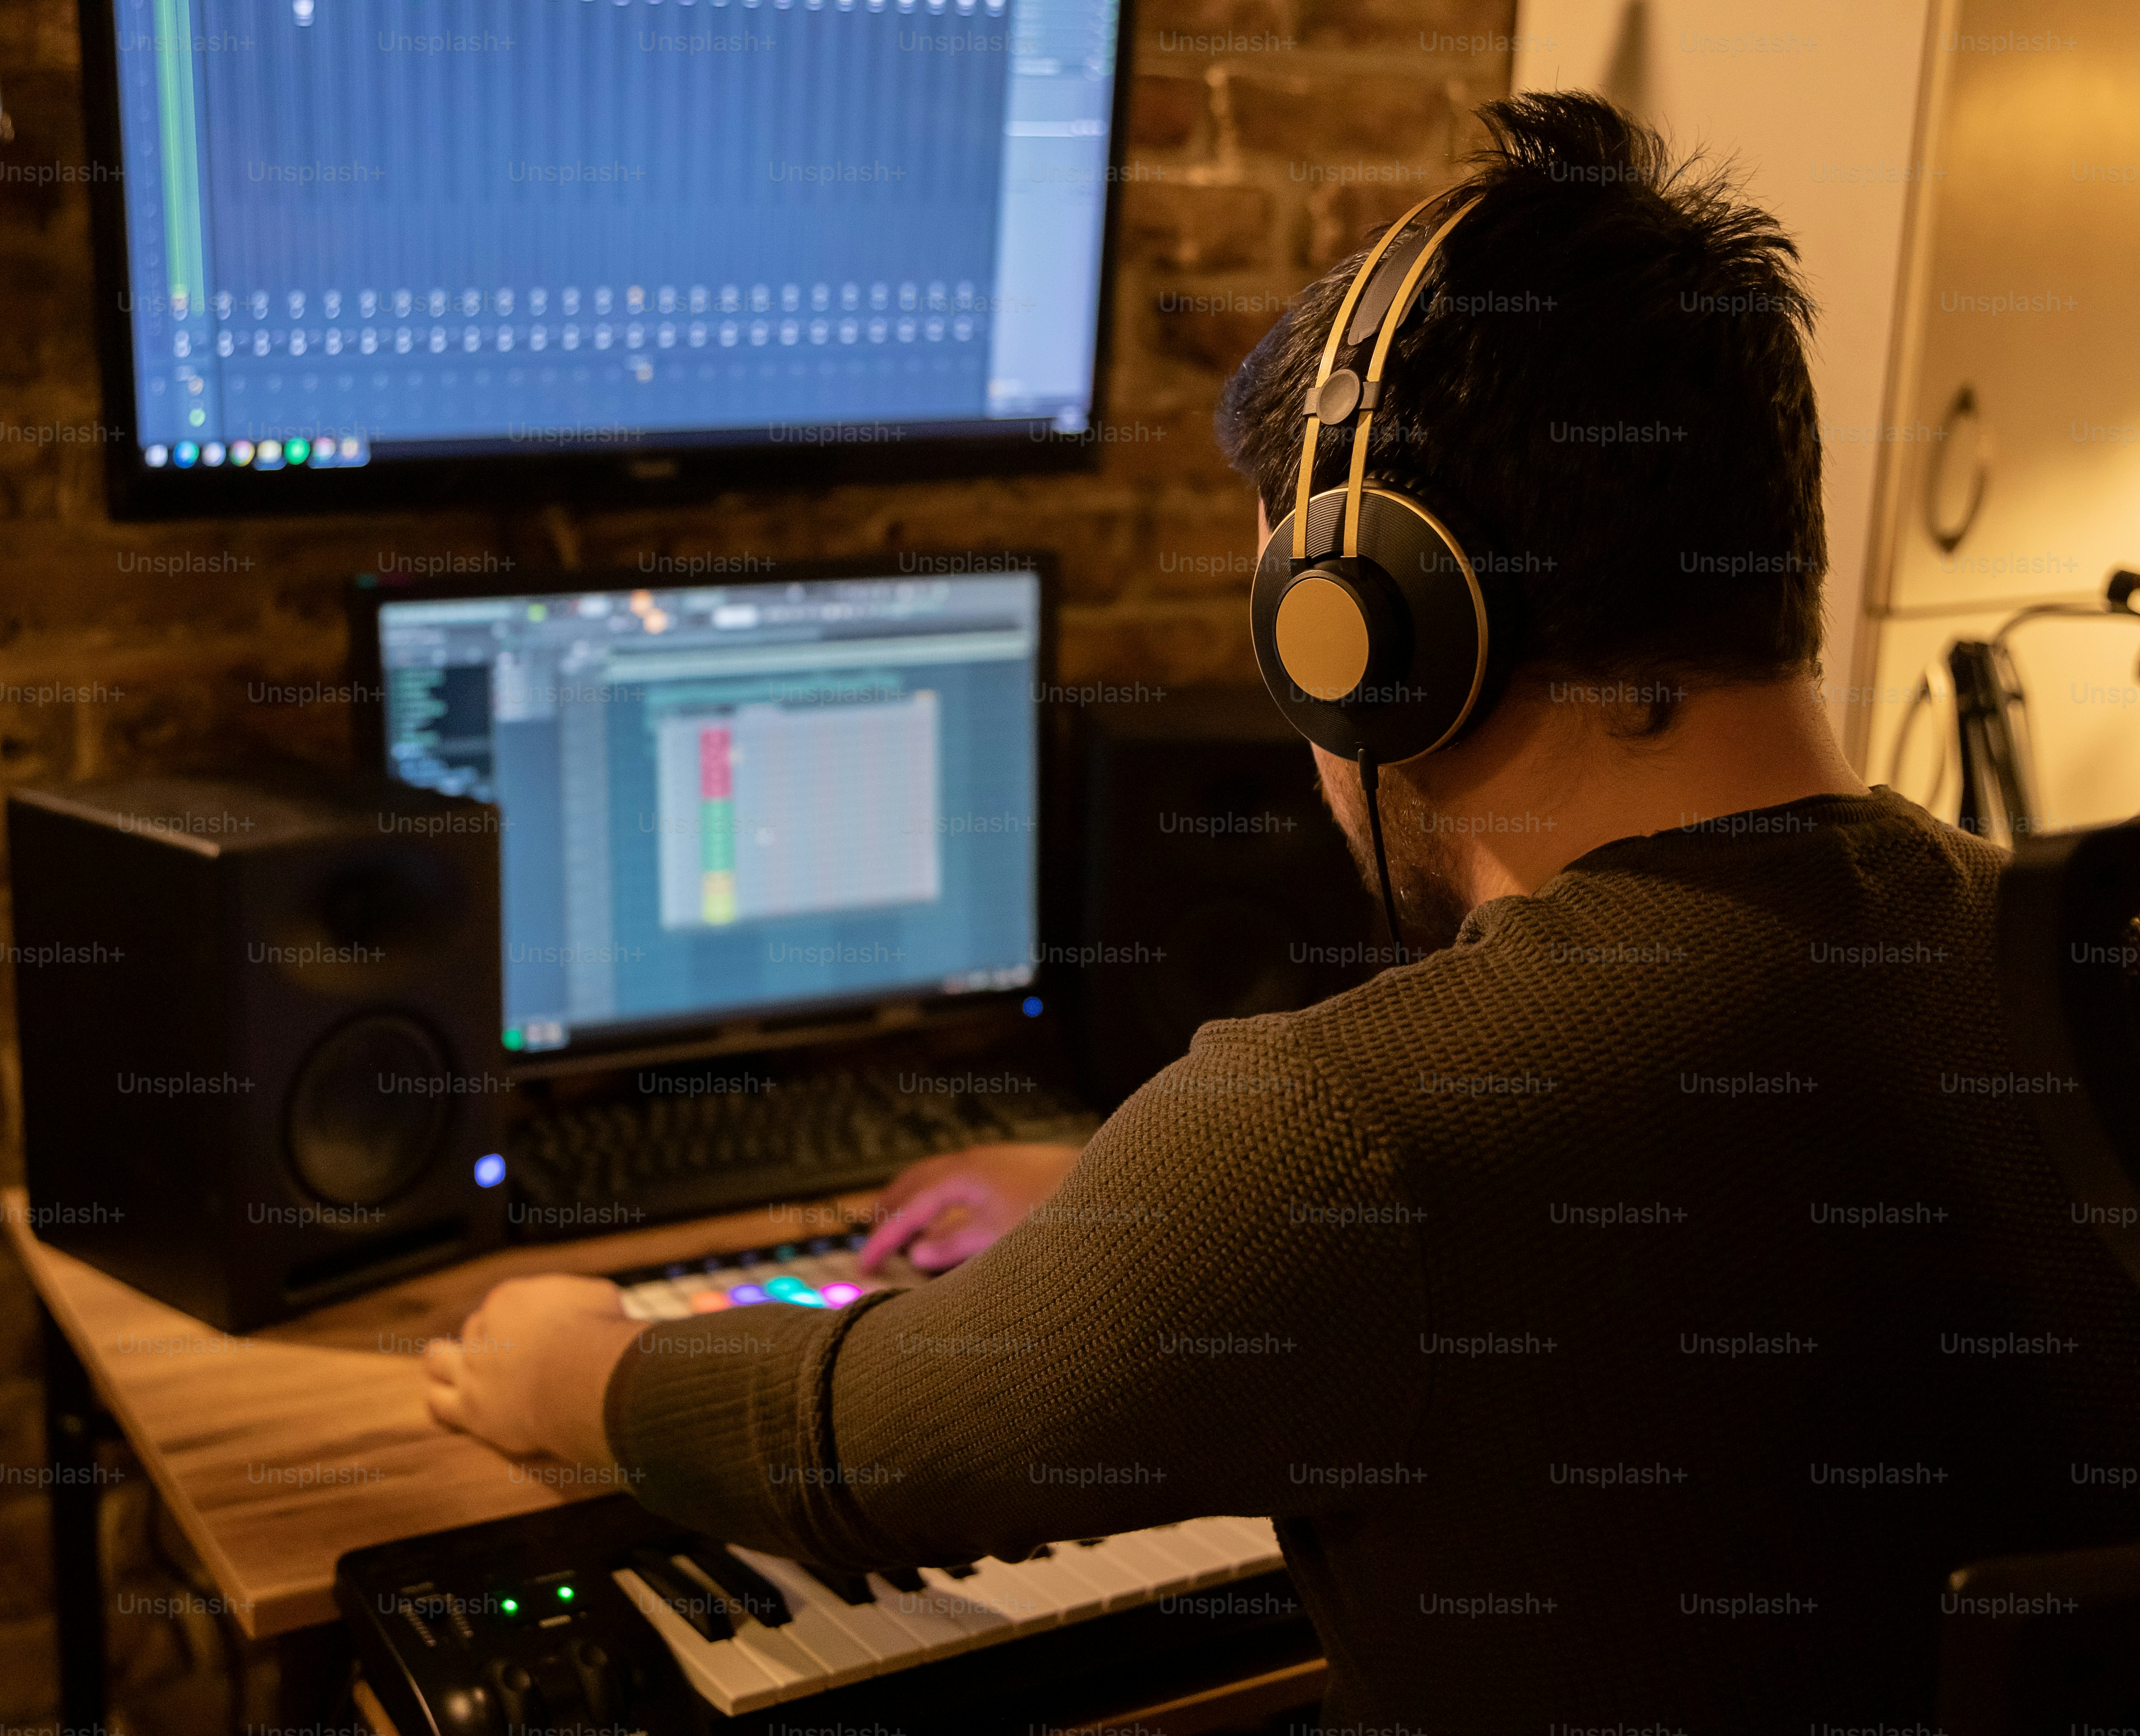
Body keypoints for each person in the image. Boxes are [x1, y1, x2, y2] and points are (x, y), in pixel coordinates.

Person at [425, 93, 2140, 1728]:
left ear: (1378, 630)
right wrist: (1121, 1208)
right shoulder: (2075, 965)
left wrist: (580, 1373)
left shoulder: (1349, 1128)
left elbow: (868, 1447)